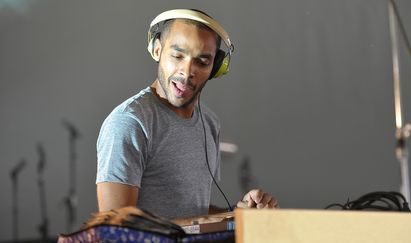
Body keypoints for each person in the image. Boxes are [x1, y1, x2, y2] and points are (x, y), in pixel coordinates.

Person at [96, 9, 278, 219]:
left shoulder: (209, 123)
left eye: (202, 62)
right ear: (157, 50)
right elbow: (116, 227)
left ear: (216, 68)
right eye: (177, 55)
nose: (187, 71)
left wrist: (238, 215)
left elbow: (190, 212)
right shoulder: (130, 123)